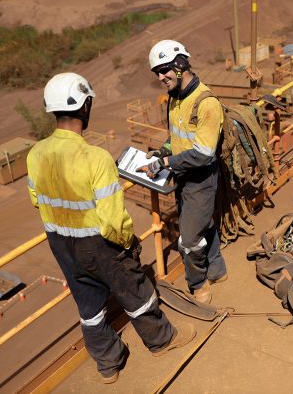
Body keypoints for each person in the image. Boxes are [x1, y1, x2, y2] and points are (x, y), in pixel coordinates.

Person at [26, 73, 196, 384]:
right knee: (134, 289)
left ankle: (108, 364)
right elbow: (112, 220)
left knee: (88, 302)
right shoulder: (96, 158)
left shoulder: (35, 154)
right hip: (98, 243)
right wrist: (128, 243)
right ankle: (162, 340)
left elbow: (36, 200)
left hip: (60, 243)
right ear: (85, 106)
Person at [139, 40, 227, 304]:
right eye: (157, 72)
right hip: (183, 175)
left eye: (164, 69)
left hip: (201, 179)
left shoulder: (206, 103)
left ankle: (198, 283)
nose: (160, 77)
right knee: (204, 223)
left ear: (180, 64)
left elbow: (203, 154)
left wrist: (165, 164)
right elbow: (177, 136)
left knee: (188, 240)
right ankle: (217, 269)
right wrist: (163, 151)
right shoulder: (175, 98)